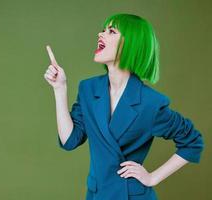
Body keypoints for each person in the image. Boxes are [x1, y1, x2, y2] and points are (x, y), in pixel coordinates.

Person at [43, 13, 204, 200]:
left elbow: (193, 142)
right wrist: (60, 89)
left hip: (131, 195)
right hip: (97, 194)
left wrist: (152, 178)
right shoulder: (88, 89)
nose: (100, 34)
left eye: (111, 31)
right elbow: (70, 141)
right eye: (103, 30)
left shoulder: (151, 102)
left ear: (131, 45)